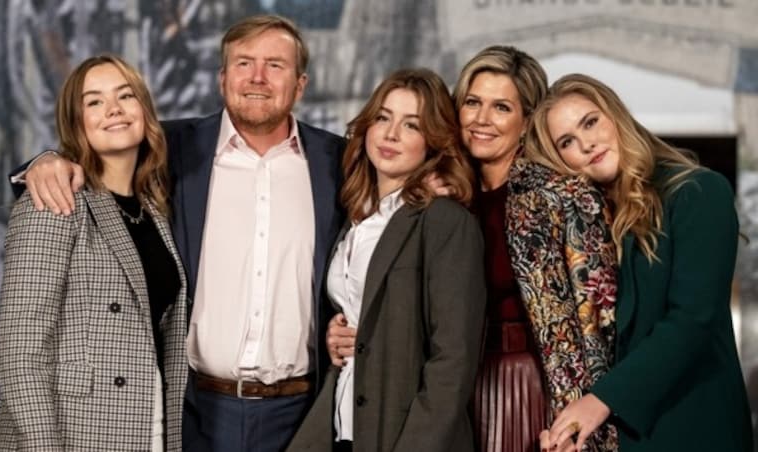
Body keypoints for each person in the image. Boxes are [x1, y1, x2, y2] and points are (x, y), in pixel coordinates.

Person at [13, 15, 347, 452]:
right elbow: (100, 149)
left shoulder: (338, 161)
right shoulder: (173, 147)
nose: (258, 78)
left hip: (301, 412)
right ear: (222, 78)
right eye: (244, 63)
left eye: (275, 65)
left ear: (300, 84)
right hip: (192, 411)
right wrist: (44, 161)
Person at [325, 47, 619, 452]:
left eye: (501, 107)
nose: (482, 120)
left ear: (528, 119)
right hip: (446, 393)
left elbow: (601, 327)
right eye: (472, 103)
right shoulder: (441, 199)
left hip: (531, 390)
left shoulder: (563, 196)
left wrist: (582, 418)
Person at [528, 73, 753, 452]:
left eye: (590, 121)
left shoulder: (697, 191)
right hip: (628, 434)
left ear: (615, 115)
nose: (586, 143)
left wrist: (599, 402)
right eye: (567, 141)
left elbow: (692, 320)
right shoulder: (589, 227)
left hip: (696, 424)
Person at [0, 54, 187, 451]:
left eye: (125, 96)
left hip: (147, 426)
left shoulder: (156, 209)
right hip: (72, 433)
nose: (113, 109)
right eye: (93, 101)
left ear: (145, 111)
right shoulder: (54, 202)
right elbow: (19, 353)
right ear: (75, 122)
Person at [287, 67, 485, 452]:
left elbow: (453, 361)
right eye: (383, 117)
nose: (391, 134)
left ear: (434, 140)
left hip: (402, 436)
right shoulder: (356, 219)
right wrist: (335, 336)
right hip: (344, 426)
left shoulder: (445, 221)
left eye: (411, 125)